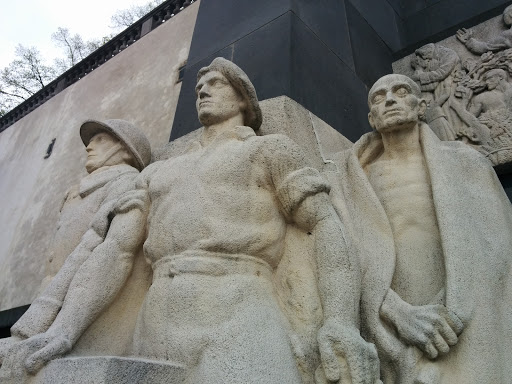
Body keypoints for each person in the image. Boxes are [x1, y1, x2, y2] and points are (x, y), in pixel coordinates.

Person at [5, 58, 380, 384]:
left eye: (215, 84)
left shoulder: (269, 150)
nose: (202, 90)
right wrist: (66, 330)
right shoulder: (158, 173)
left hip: (239, 315)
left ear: (242, 100)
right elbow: (117, 250)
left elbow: (324, 225)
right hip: (155, 324)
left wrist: (340, 323)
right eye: (199, 86)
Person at [329, 74, 512, 383]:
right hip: (390, 325)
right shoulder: (351, 180)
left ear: (421, 105)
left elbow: (497, 247)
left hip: (461, 318)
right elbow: (343, 255)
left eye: (401, 92)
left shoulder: (466, 164)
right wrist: (399, 314)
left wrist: (453, 307)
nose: (389, 100)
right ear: (371, 118)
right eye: (378, 97)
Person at [0, 119, 151, 363]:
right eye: (91, 140)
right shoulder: (75, 191)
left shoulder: (125, 183)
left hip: (80, 302)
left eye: (101, 139)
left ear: (125, 150)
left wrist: (64, 328)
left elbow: (107, 252)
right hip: (50, 298)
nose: (89, 146)